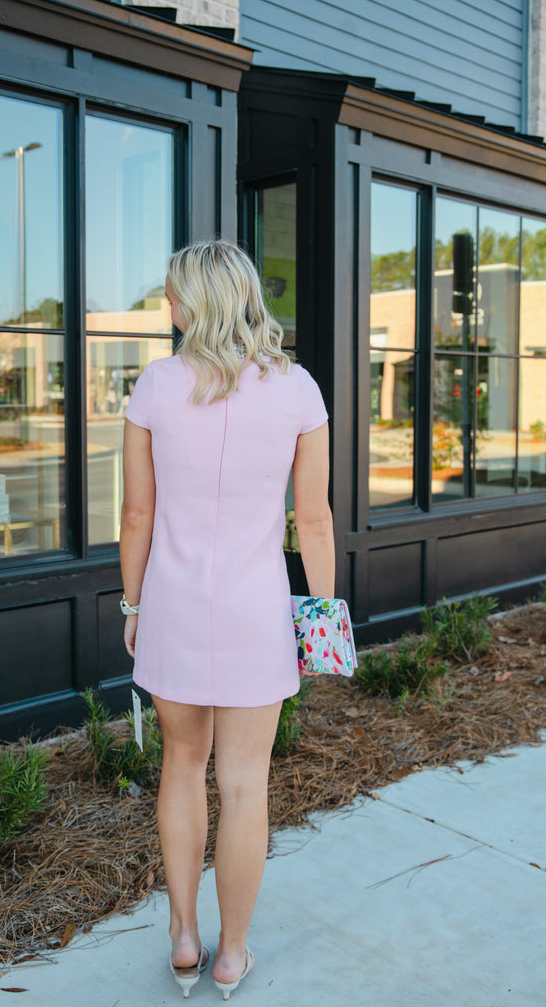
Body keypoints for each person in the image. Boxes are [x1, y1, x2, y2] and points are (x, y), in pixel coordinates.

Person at [119, 239, 334, 1000]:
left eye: (173, 295)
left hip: (174, 606)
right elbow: (313, 521)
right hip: (255, 613)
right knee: (245, 785)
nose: (167, 308)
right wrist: (321, 622)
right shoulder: (297, 390)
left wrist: (133, 605)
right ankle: (232, 953)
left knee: (181, 766)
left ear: (198, 301)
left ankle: (183, 938)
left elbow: (137, 514)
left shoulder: (153, 385)